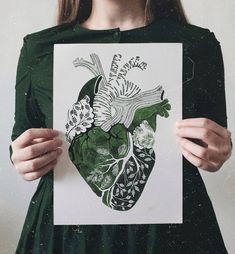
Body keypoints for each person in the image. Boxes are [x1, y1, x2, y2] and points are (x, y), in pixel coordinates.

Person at [10, 0, 233, 253]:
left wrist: (220, 148)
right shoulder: (38, 50)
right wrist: (22, 158)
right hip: (68, 238)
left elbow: (215, 139)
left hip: (170, 236)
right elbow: (20, 141)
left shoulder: (199, 46)